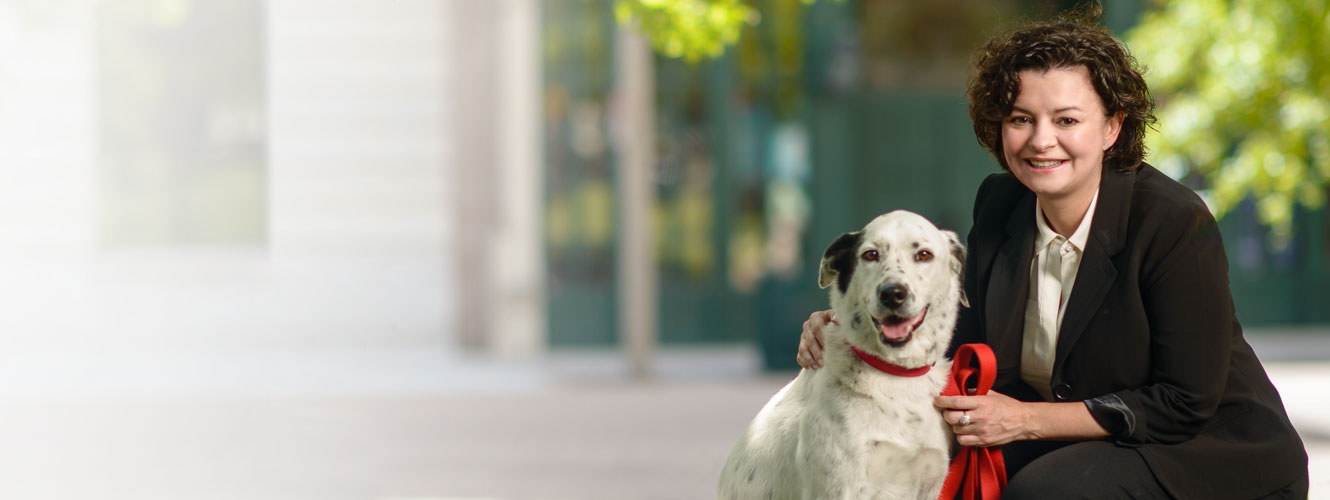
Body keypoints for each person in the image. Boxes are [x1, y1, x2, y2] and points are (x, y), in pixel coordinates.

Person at [794, 6, 1309, 499]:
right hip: (1082, 440)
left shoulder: (1171, 220)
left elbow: (1185, 402)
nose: (1042, 141)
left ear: (1111, 127)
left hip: (1210, 452)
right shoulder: (999, 204)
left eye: (1066, 120)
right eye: (1022, 118)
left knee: (1045, 492)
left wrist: (1023, 421)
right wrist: (851, 324)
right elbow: (958, 341)